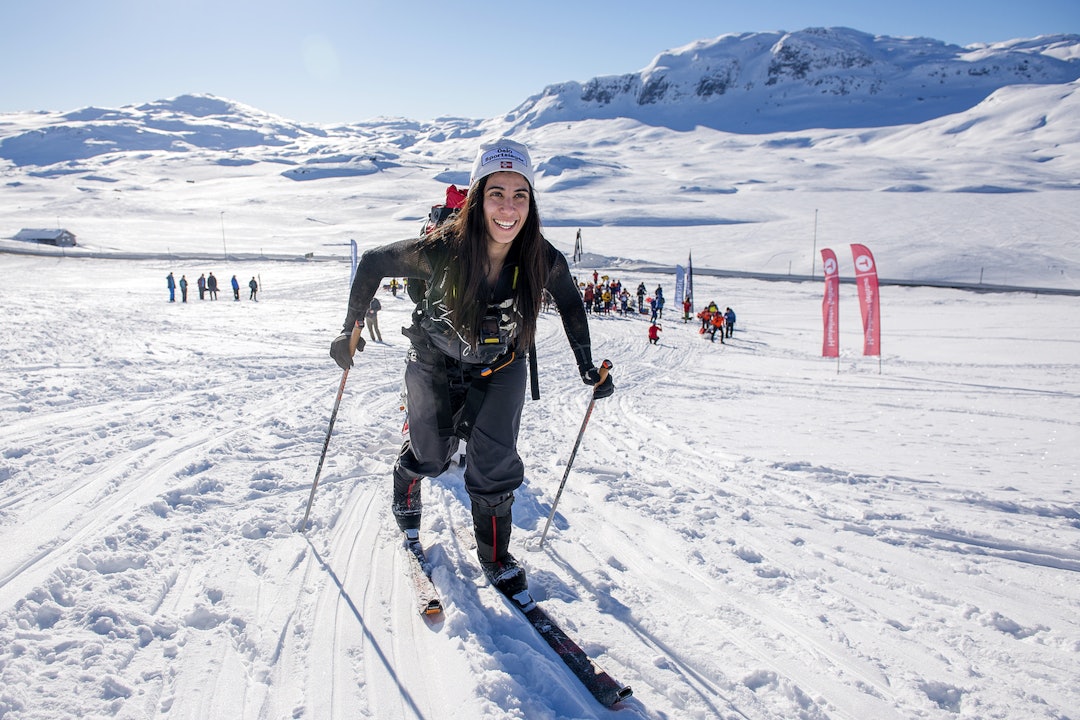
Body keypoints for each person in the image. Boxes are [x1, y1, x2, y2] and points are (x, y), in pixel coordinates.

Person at [330, 138, 614, 601]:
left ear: (531, 203)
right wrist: (350, 329)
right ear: (479, 196)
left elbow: (568, 300)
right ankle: (408, 479)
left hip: (502, 364)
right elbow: (375, 261)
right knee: (432, 457)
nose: (508, 207)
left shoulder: (539, 255)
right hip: (434, 359)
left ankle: (496, 555)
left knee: (494, 465)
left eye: (519, 194)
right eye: (496, 193)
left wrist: (587, 365)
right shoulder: (442, 249)